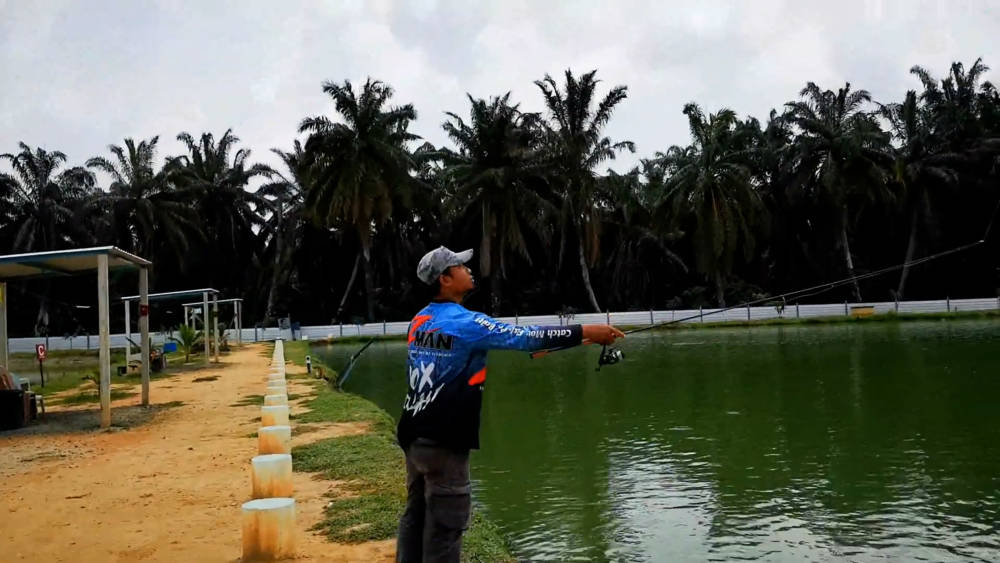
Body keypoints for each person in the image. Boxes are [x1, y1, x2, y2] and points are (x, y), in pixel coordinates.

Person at [396, 246, 624, 562]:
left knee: (416, 515)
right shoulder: (468, 323)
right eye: (460, 266)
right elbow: (524, 337)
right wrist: (586, 331)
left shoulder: (419, 320)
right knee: (446, 525)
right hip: (445, 439)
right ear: (445, 279)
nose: (468, 269)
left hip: (413, 435)